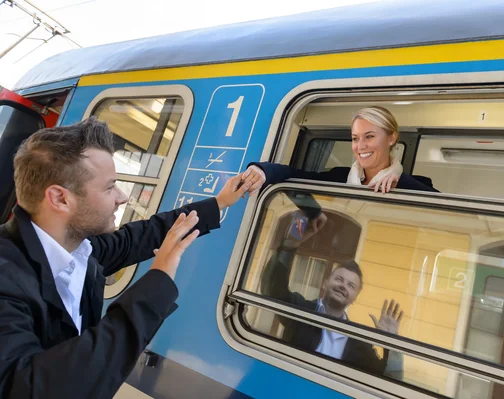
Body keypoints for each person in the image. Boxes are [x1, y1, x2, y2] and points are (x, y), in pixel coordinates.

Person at [0, 117, 251, 399]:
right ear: (60, 198)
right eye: (109, 188)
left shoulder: (80, 249)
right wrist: (159, 279)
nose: (123, 198)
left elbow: (141, 236)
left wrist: (219, 203)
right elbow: (31, 388)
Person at [260, 216, 403, 376]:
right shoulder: (301, 309)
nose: (343, 286)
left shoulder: (359, 341)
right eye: (339, 279)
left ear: (355, 297)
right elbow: (271, 288)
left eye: (351, 285)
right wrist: (289, 246)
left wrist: (391, 342)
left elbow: (390, 378)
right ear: (324, 283)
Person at [242, 106, 439, 195]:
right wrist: (261, 171)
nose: (360, 146)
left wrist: (399, 179)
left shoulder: (415, 185)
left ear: (392, 138)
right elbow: (295, 176)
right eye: (355, 138)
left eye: (369, 136)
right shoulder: (339, 177)